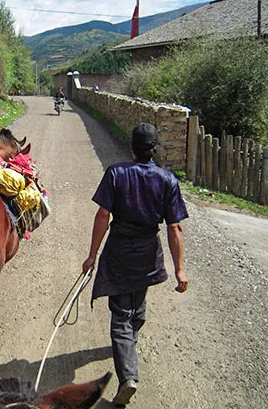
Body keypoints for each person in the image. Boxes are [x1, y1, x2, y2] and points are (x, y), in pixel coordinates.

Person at [82, 123, 189, 406]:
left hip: (119, 250)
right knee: (136, 308)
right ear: (154, 150)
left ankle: (128, 375)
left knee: (120, 315)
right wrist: (180, 268)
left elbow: (103, 215)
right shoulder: (168, 180)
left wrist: (92, 255)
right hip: (147, 253)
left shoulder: (116, 173)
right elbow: (174, 227)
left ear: (132, 148)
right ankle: (129, 344)